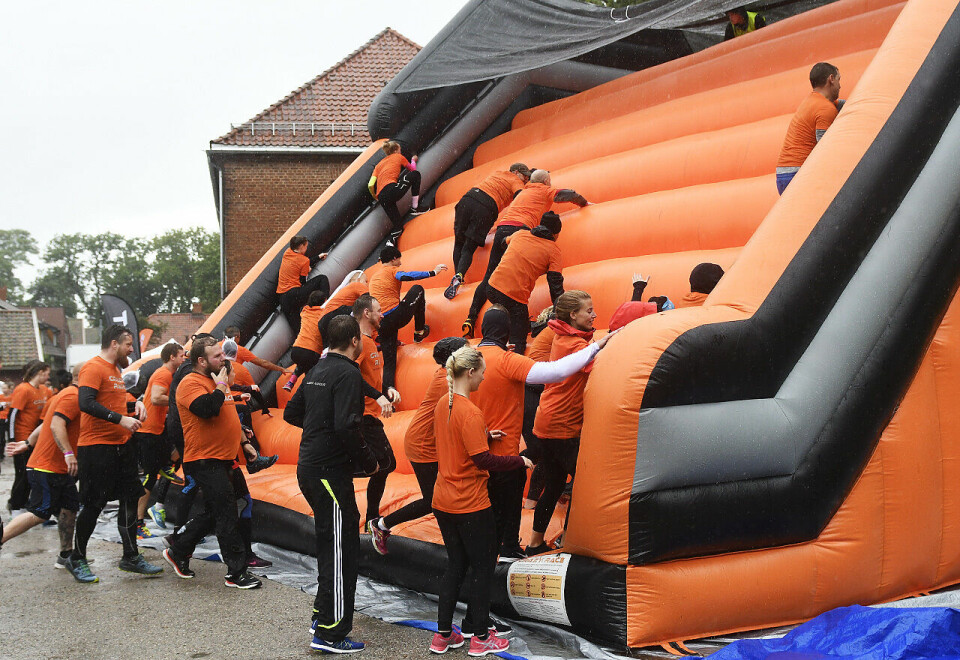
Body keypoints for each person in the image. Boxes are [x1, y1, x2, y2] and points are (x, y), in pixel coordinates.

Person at [472, 305, 616, 563]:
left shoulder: (470, 359)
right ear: (507, 331)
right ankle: (509, 550)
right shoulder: (507, 360)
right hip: (504, 450)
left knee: (494, 502)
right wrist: (596, 347)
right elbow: (554, 372)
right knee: (512, 500)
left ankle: (500, 552)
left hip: (476, 447)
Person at [284, 314, 380, 654]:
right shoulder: (348, 373)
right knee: (341, 551)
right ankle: (331, 632)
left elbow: (291, 413)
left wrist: (318, 428)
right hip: (327, 472)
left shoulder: (317, 369)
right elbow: (346, 426)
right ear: (355, 341)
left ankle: (321, 616)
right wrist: (369, 461)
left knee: (331, 545)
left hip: (310, 468)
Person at [430, 345, 532, 656]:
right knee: (483, 568)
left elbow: (457, 442)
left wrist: (485, 436)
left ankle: (443, 635)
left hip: (443, 499)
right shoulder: (471, 412)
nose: (484, 378)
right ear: (471, 372)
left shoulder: (443, 404)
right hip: (470, 503)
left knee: (456, 565)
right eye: (483, 373)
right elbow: (484, 461)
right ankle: (481, 637)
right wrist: (518, 461)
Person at [161, 337, 262, 589]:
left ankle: (179, 549)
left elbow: (228, 414)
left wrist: (244, 443)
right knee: (227, 511)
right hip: (204, 459)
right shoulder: (191, 382)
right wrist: (221, 386)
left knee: (221, 509)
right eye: (217, 356)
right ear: (201, 361)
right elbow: (207, 409)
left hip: (224, 457)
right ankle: (236, 572)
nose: (223, 359)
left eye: (222, 354)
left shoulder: (216, 381)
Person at [69, 325, 163, 583]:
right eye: (128, 344)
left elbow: (113, 403)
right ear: (114, 344)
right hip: (96, 448)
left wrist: (135, 405)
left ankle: (130, 556)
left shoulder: (115, 371)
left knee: (130, 498)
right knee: (94, 504)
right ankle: (77, 558)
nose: (132, 350)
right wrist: (120, 419)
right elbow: (86, 403)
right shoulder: (93, 367)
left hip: (122, 446)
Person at [367, 337, 468, 554]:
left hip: (429, 441)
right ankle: (381, 525)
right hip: (422, 444)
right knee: (433, 499)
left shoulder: (450, 375)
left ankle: (456, 540)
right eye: (466, 353)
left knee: (445, 493)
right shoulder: (447, 381)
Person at [463, 169, 588, 338]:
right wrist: (584, 203)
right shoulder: (543, 190)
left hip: (503, 228)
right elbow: (569, 194)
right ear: (546, 181)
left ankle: (471, 317)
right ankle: (521, 329)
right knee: (522, 271)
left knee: (488, 277)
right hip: (520, 229)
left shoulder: (524, 191)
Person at [526, 291, 601, 555]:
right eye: (589, 311)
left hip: (548, 422)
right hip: (562, 426)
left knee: (555, 484)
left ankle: (535, 543)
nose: (594, 315)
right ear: (573, 315)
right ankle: (567, 540)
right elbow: (602, 365)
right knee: (585, 485)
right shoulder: (575, 346)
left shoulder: (563, 337)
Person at [1, 366, 83, 570]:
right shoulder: (72, 396)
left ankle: (65, 555)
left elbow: (45, 423)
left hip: (59, 467)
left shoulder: (64, 395)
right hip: (47, 467)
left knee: (70, 508)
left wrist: (27, 443)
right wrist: (68, 453)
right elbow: (55, 425)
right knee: (40, 512)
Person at [444, 163, 532, 300]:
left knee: (459, 242)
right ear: (515, 172)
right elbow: (520, 196)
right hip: (486, 207)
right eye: (524, 177)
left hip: (468, 198)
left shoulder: (497, 172)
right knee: (469, 247)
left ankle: (457, 276)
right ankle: (459, 275)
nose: (525, 180)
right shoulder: (516, 180)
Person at [485, 212, 565, 355]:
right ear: (556, 234)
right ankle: (514, 359)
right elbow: (556, 286)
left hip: (492, 287)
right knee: (519, 339)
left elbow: (503, 242)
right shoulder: (553, 250)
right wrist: (561, 311)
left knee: (516, 320)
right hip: (513, 297)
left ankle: (502, 340)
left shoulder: (521, 234)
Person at [351, 294, 400, 527]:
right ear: (366, 313)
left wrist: (386, 390)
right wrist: (376, 397)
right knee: (386, 463)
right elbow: (349, 376)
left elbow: (367, 377)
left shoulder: (370, 341)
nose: (382, 314)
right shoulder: (358, 342)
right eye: (378, 310)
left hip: (370, 415)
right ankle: (371, 516)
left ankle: (372, 515)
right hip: (363, 417)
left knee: (386, 464)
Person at [368, 245, 447, 389]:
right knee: (418, 289)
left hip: (382, 324)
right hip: (395, 315)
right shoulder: (391, 270)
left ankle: (389, 394)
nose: (400, 263)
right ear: (393, 259)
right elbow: (406, 276)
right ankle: (419, 331)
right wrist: (432, 272)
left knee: (389, 363)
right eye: (399, 260)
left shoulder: (374, 277)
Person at [134, 342, 184, 537]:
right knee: (149, 478)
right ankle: (138, 524)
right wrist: (179, 401)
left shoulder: (169, 375)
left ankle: (166, 466)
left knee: (177, 451)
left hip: (158, 430)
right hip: (148, 431)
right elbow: (156, 398)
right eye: (181, 355)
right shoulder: (163, 374)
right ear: (172, 357)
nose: (183, 359)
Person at [776, 62, 843, 194]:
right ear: (831, 79)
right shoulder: (825, 109)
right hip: (798, 175)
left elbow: (842, 104)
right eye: (838, 79)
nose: (840, 86)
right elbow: (825, 150)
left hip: (783, 175)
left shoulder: (812, 101)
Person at [6, 360, 50, 513]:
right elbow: (12, 415)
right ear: (40, 373)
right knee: (22, 474)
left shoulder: (45, 390)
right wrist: (12, 439)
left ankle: (24, 503)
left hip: (36, 439)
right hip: (21, 437)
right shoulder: (23, 389)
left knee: (33, 474)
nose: (48, 377)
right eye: (47, 374)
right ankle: (15, 506)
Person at [368, 140, 424, 236]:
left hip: (382, 197)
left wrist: (375, 197)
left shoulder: (378, 165)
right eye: (400, 150)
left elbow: (370, 185)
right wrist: (413, 160)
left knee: (398, 227)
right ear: (395, 151)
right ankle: (415, 208)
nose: (400, 152)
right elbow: (412, 170)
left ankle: (390, 242)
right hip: (391, 190)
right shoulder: (398, 156)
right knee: (416, 174)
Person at [276, 235, 330, 334]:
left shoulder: (287, 252)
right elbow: (303, 282)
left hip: (283, 299)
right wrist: (308, 270)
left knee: (300, 330)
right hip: (294, 294)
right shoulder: (304, 261)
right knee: (322, 278)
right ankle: (326, 304)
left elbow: (300, 263)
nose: (306, 248)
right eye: (306, 246)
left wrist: (318, 258)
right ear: (301, 246)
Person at [283, 289, 329, 391]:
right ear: (324, 301)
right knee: (311, 377)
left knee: (304, 364)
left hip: (296, 350)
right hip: (311, 352)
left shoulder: (305, 311)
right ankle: (304, 392)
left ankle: (291, 381)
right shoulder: (324, 314)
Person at [317, 271, 369, 347]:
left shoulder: (345, 291)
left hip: (323, 322)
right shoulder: (357, 285)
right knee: (363, 310)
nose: (367, 284)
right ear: (358, 279)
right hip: (334, 314)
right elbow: (369, 300)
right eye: (366, 281)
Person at [223, 325, 291, 376]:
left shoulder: (218, 346)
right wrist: (281, 369)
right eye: (239, 337)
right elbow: (263, 363)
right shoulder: (240, 350)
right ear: (236, 337)